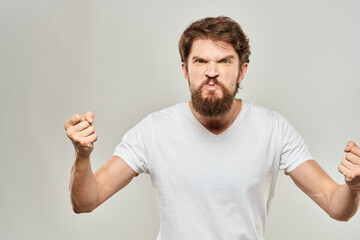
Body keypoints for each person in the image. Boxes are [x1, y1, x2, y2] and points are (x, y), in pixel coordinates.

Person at [64, 16, 360, 239]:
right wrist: (82, 156)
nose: (211, 72)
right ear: (185, 69)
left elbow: (336, 206)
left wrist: (354, 186)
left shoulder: (273, 129)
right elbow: (86, 201)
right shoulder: (154, 130)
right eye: (200, 60)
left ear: (242, 69)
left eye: (224, 61)